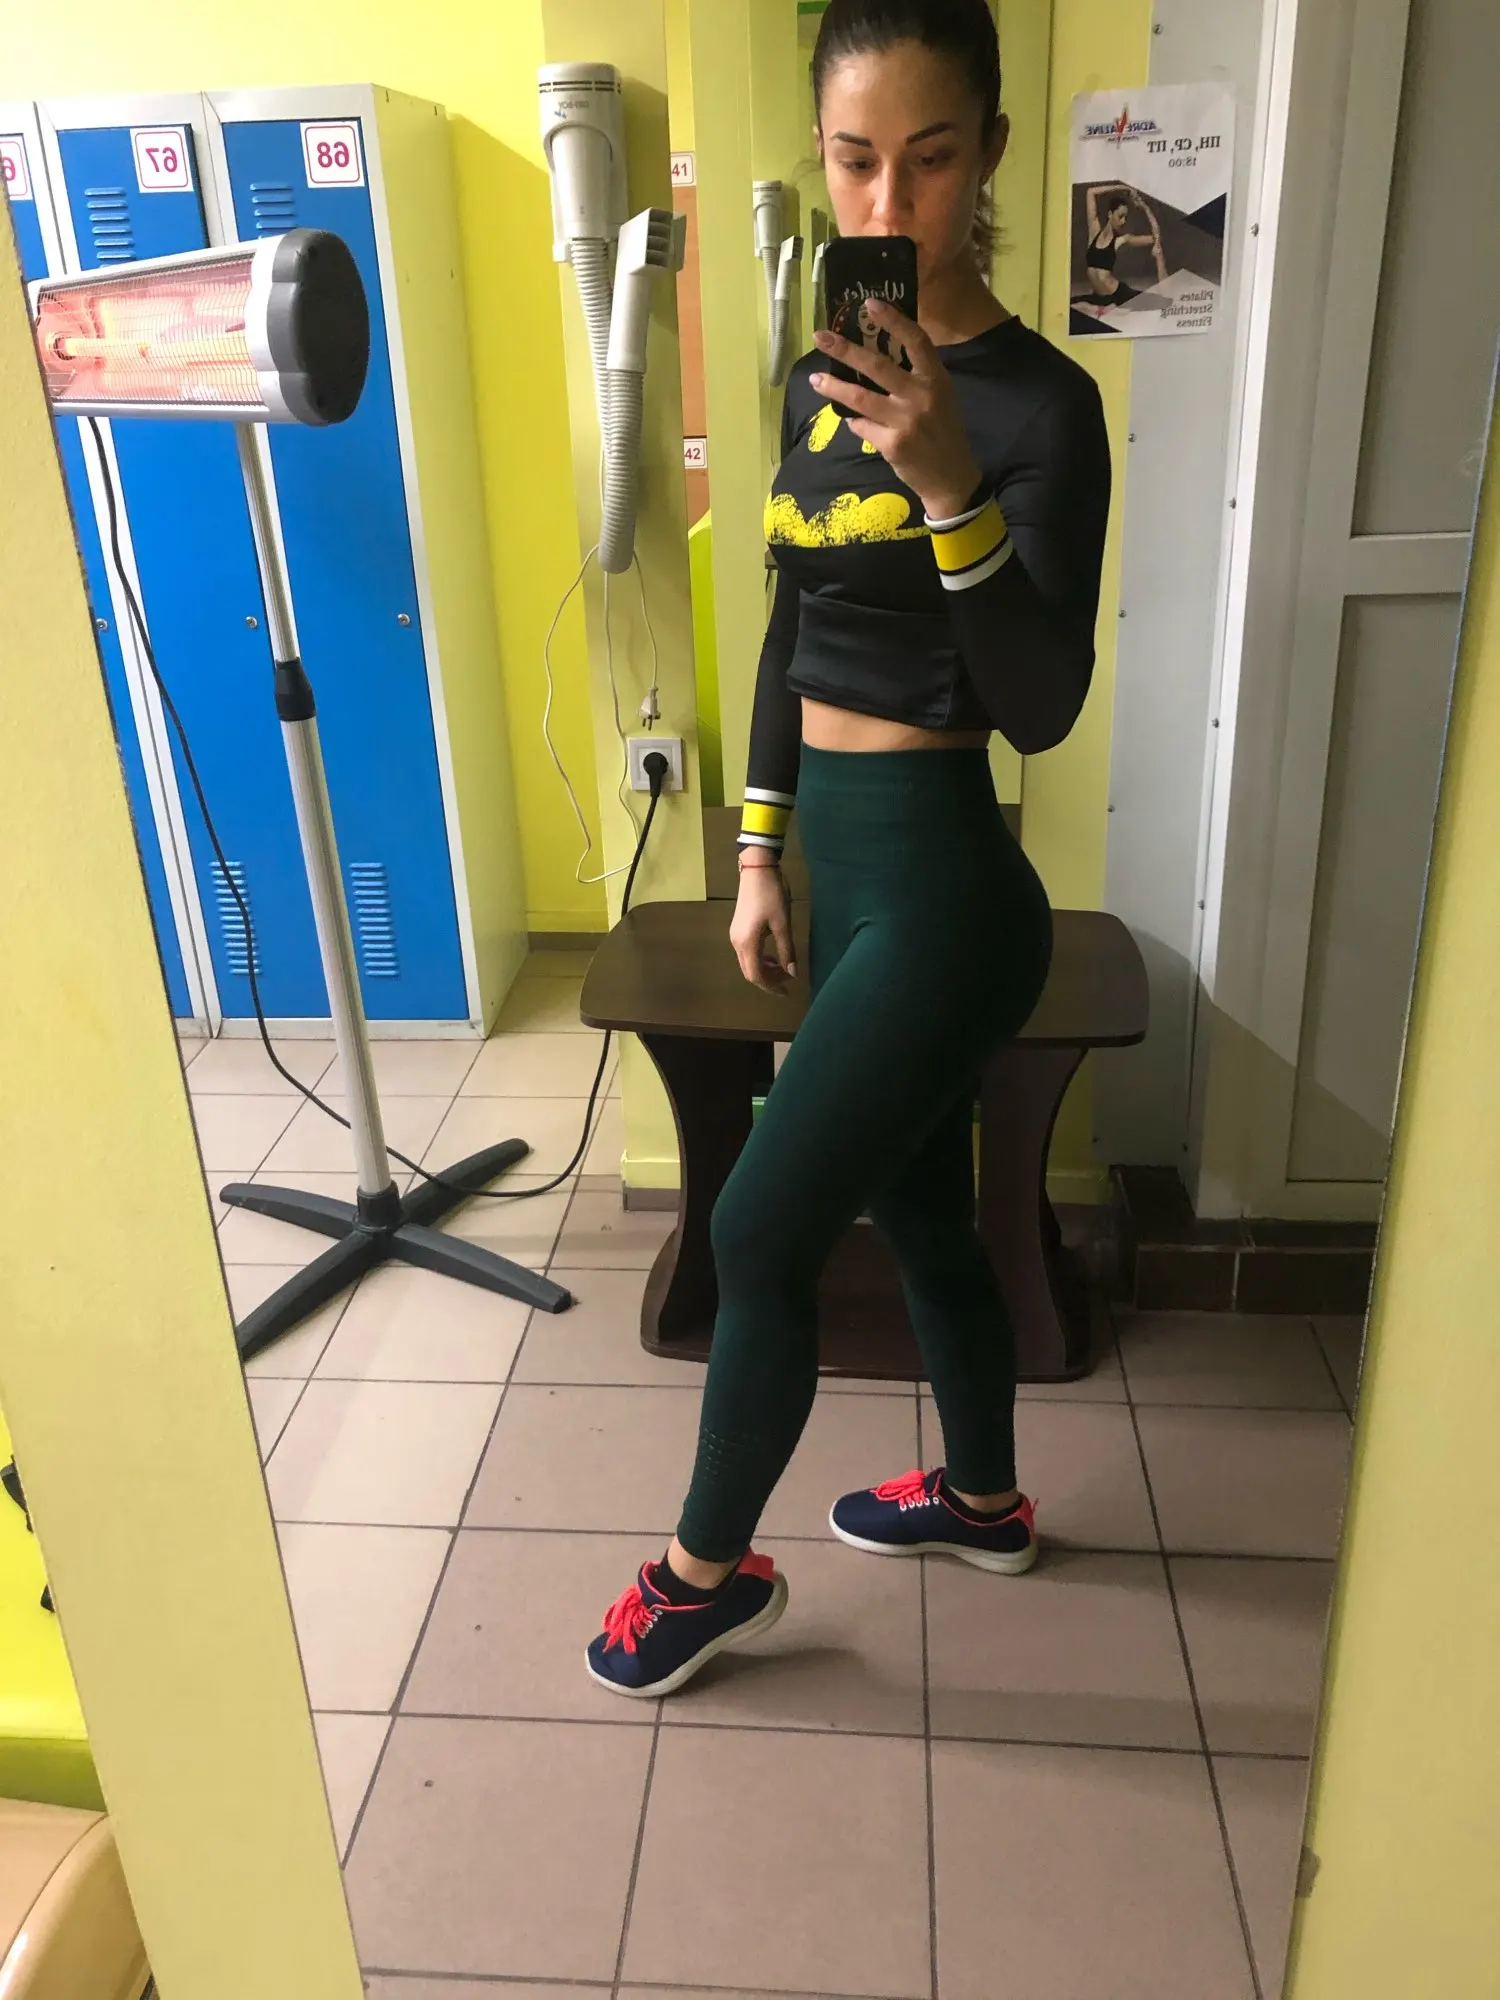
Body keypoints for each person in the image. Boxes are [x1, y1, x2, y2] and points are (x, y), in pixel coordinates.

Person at [587, 0, 1111, 1698]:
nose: (890, 203)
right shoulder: (821, 378)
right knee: (919, 1206)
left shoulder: (1040, 408)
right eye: (855, 159)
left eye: (932, 159)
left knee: (759, 1230)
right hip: (844, 876)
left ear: (992, 156)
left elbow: (1041, 705)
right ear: (821, 162)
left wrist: (951, 486)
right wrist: (758, 855)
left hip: (952, 894)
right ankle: (982, 1501)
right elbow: (789, 620)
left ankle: (703, 1576)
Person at [1081, 184, 1166, 308]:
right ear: (1110, 214)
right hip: (1098, 298)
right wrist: (1123, 187)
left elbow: (1157, 237)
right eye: (1120, 216)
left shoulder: (1121, 239)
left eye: (1125, 217)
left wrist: (1144, 207)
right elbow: (1090, 192)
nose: (1123, 221)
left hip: (1118, 295)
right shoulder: (1094, 231)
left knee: (1163, 302)